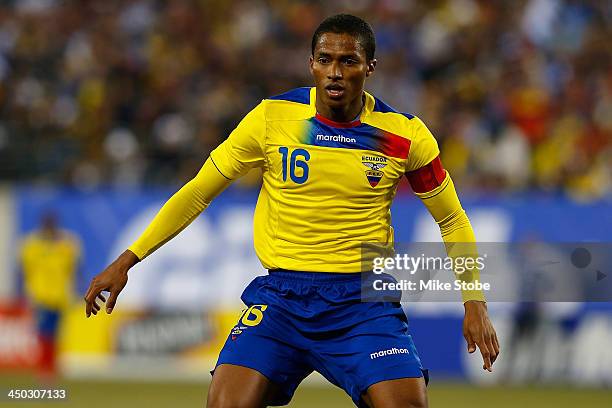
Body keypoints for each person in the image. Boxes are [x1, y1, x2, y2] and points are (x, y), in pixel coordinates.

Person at [85, 14, 499, 408]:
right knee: (225, 402)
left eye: (348, 61)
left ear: (370, 67)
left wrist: (474, 301)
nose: (334, 72)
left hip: (361, 302)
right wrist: (126, 260)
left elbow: (451, 218)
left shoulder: (404, 135)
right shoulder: (272, 118)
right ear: (311, 64)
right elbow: (196, 193)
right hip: (283, 300)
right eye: (325, 60)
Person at [20, 211, 81, 379]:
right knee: (44, 335)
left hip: (59, 298)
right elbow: (23, 272)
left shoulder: (66, 246)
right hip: (41, 298)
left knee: (54, 336)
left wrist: (76, 291)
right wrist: (25, 295)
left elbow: (74, 271)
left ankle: (50, 369)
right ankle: (45, 371)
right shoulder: (32, 246)